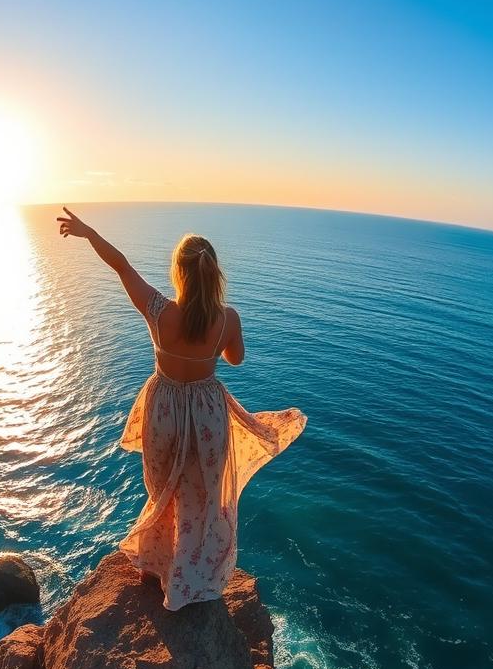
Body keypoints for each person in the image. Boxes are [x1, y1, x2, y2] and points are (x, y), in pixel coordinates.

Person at [57, 206, 306, 609]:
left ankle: (155, 566)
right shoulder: (227, 318)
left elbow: (120, 266)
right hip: (207, 413)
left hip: (164, 410)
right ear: (214, 275)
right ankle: (192, 576)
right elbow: (236, 359)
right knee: (202, 498)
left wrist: (88, 232)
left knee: (162, 492)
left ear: (179, 273)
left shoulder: (158, 311)